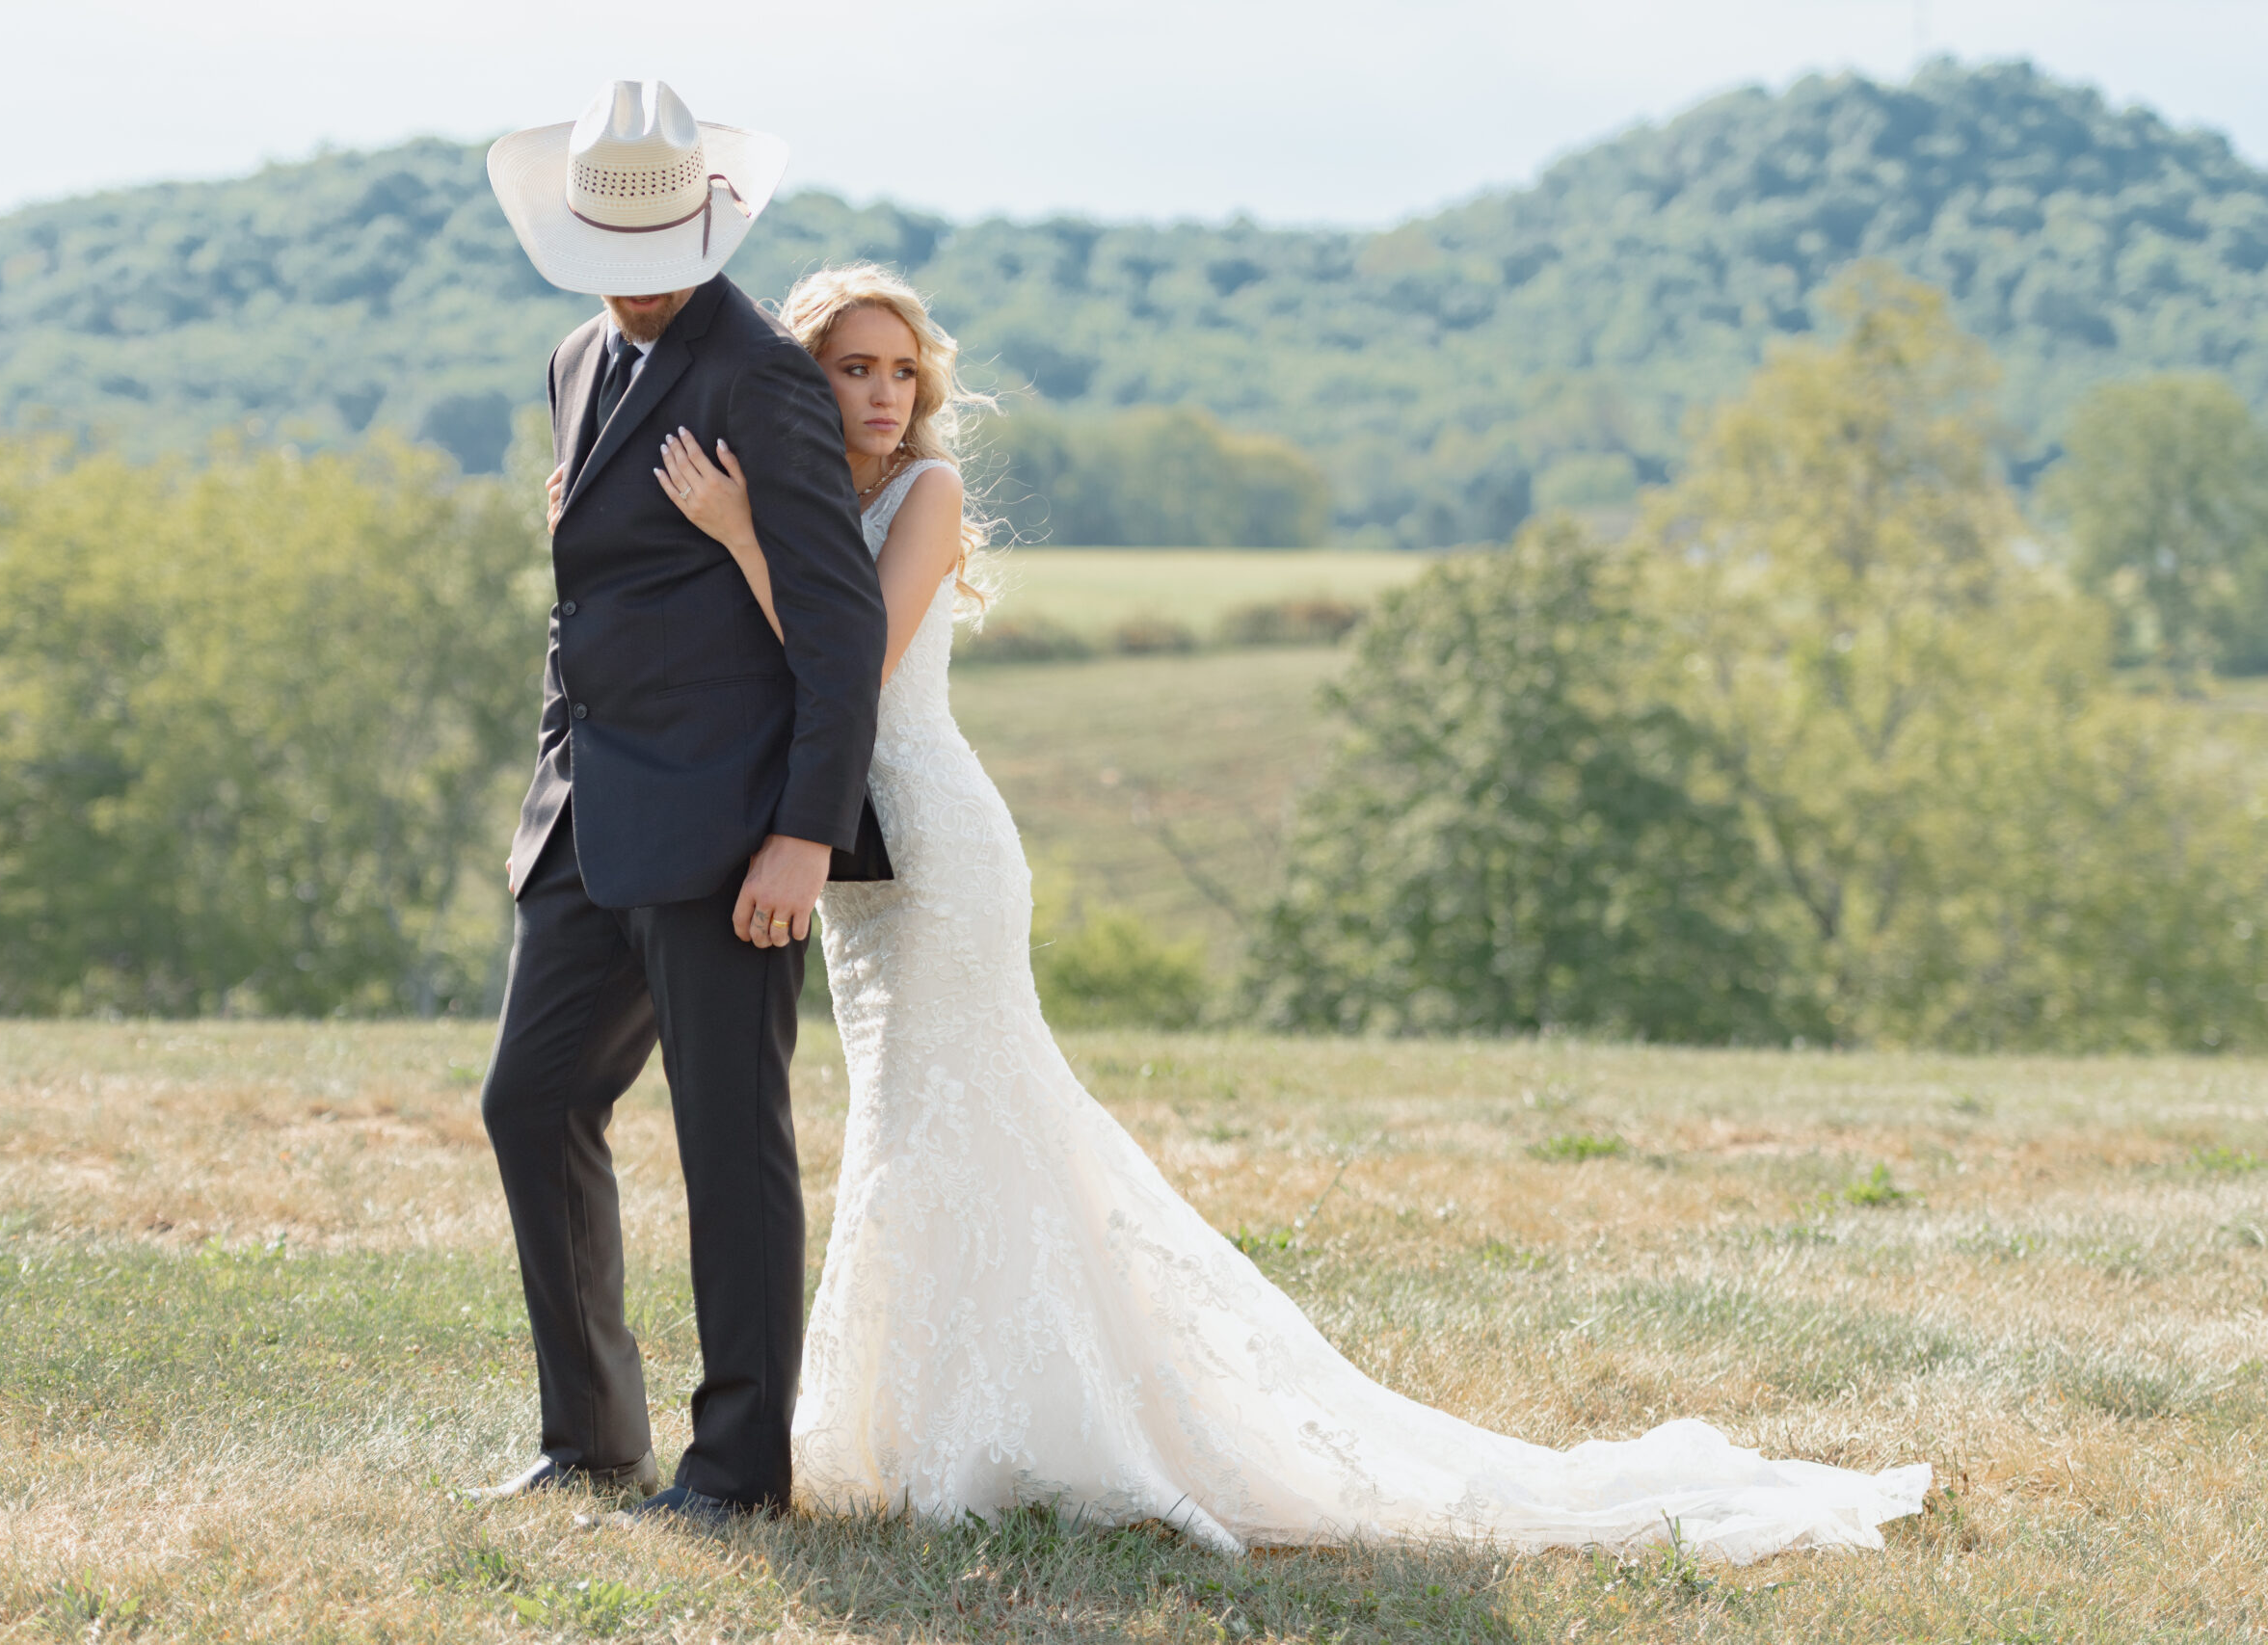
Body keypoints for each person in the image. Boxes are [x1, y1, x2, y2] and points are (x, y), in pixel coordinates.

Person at [648, 262, 1934, 1561]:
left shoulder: (926, 490)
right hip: (862, 871)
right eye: (850, 370)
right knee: (913, 1122)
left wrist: (744, 538)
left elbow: (846, 664)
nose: (881, 394)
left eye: (899, 371)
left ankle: (1019, 1426)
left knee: (964, 1114)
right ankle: (918, 1416)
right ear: (801, 383)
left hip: (938, 849)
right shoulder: (819, 496)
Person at [467, 81, 889, 1526]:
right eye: (607, 258)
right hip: (585, 822)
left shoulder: (763, 373)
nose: (635, 286)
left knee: (730, 1143)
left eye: (656, 255)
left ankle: (738, 1473)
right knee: (529, 1101)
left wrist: (805, 831)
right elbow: (580, 603)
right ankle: (591, 1440)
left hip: (726, 830)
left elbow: (837, 631)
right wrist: (548, 776)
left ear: (706, 226)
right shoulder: (574, 359)